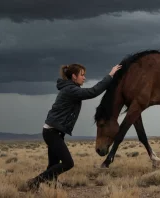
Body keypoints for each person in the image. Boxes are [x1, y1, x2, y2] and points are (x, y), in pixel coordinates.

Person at [25, 63, 122, 191]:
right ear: (74, 76)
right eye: (82, 75)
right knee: (68, 163)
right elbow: (93, 92)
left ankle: (50, 187)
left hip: (54, 131)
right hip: (52, 132)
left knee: (53, 165)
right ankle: (34, 182)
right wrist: (110, 75)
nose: (84, 78)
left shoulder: (70, 88)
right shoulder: (71, 90)